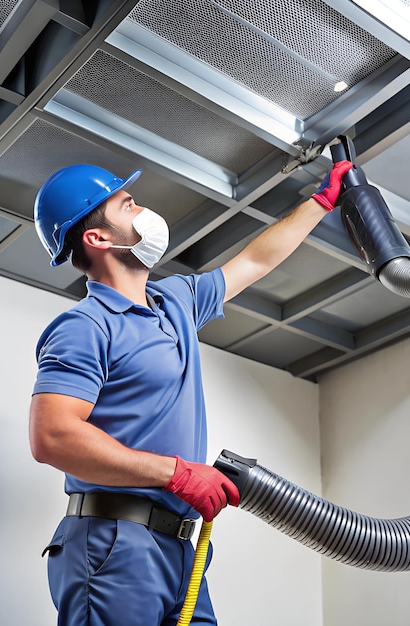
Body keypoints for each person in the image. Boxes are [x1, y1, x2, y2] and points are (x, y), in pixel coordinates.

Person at [29, 157, 353, 625]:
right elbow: (52, 437)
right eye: (128, 205)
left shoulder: (175, 300)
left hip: (180, 547)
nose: (144, 211)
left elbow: (256, 260)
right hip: (113, 546)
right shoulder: (85, 327)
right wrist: (176, 475)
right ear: (96, 238)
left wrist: (320, 203)